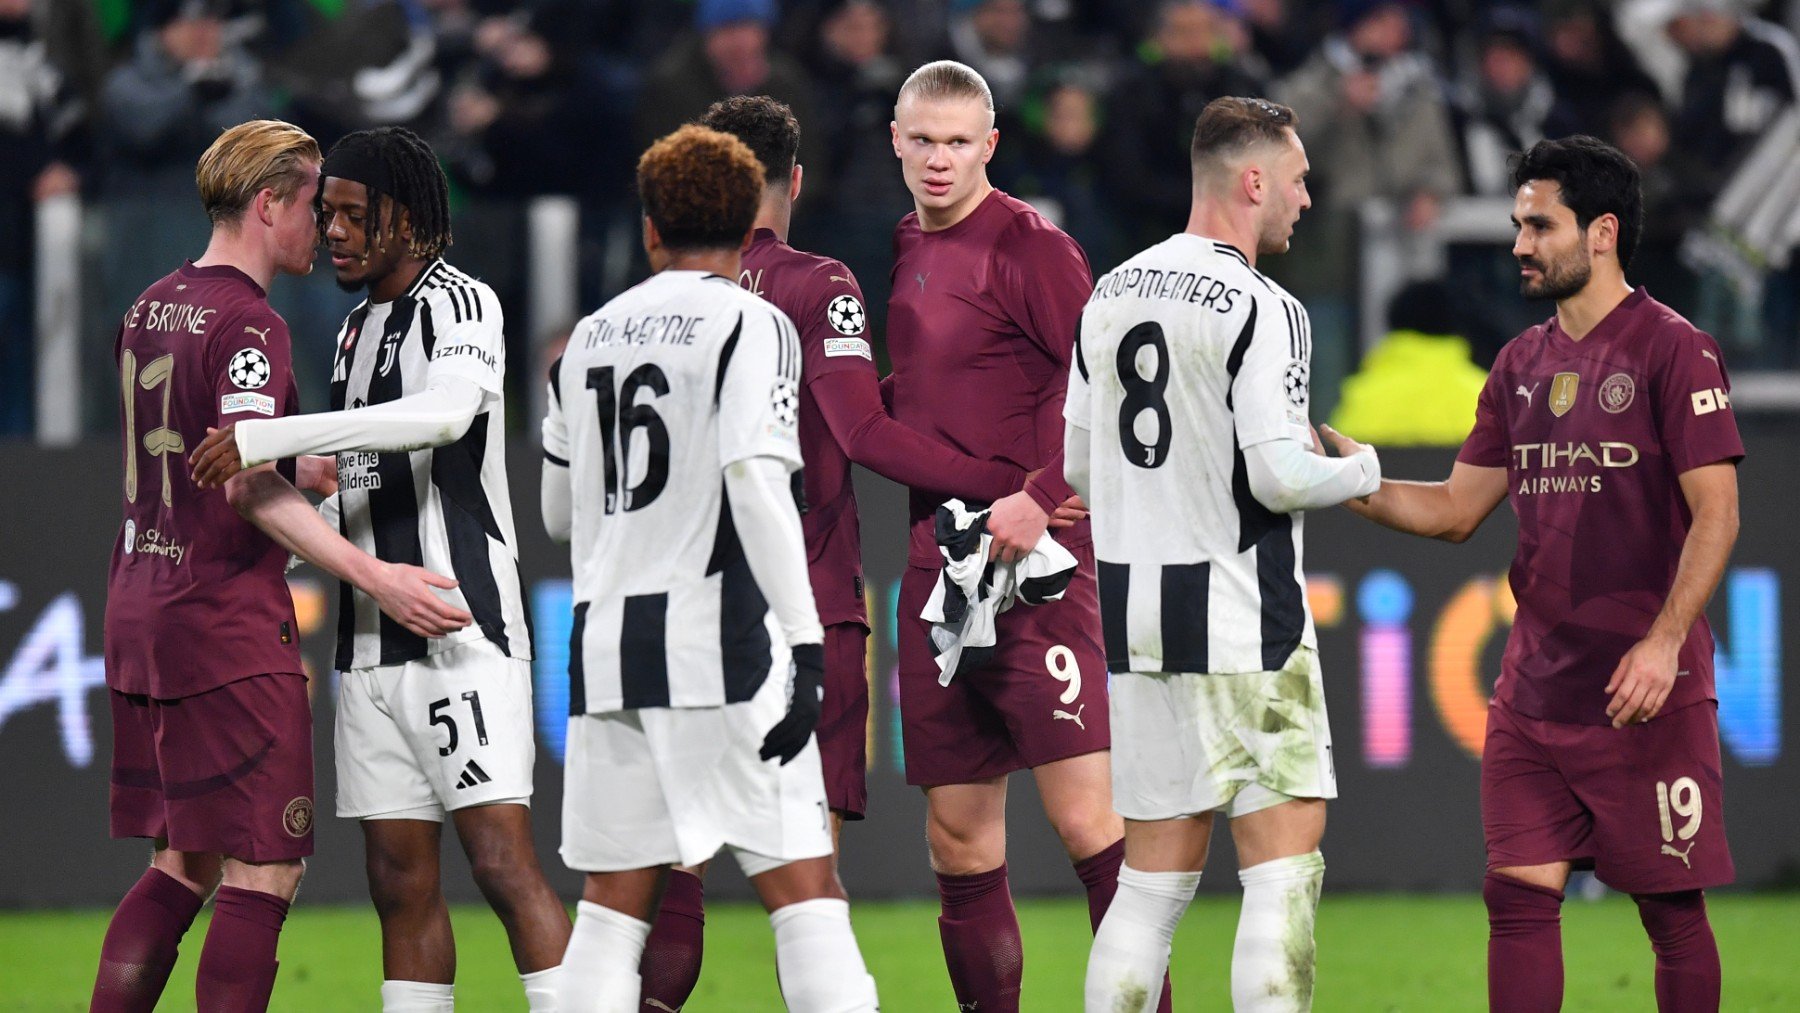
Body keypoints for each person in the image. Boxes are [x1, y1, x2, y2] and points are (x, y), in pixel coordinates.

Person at [1322, 135, 1741, 1012]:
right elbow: (1452, 508)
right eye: (1518, 223)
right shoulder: (1517, 366)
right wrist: (1346, 474)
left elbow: (1719, 512)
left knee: (1670, 911)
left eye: (1538, 224)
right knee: (1515, 904)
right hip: (1535, 698)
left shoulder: (1675, 350)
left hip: (1645, 692)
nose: (1519, 244)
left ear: (1601, 233)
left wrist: (1664, 645)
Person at [186, 125, 570, 1013]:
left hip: (459, 625)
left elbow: (438, 420)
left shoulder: (464, 304)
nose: (336, 234)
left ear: (409, 217)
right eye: (327, 215)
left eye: (356, 215)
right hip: (368, 647)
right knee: (397, 884)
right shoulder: (353, 330)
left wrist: (269, 438)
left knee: (503, 863)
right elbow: (366, 468)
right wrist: (306, 491)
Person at [94, 118, 470, 1013]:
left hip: (138, 600)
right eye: (315, 205)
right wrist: (377, 577)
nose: (330, 227)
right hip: (219, 618)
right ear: (270, 203)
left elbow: (192, 446)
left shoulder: (153, 302)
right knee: (265, 866)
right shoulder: (251, 323)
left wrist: (297, 463)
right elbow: (247, 493)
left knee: (181, 861)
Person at [542, 123, 879, 1013]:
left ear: (651, 228)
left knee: (611, 911)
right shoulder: (755, 321)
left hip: (607, 648)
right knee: (808, 896)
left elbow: (552, 509)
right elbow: (756, 481)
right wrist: (806, 643)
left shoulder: (587, 338)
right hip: (721, 644)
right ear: (746, 227)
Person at [1069, 95, 1375, 1013]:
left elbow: (1080, 463)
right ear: (1252, 181)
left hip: (1136, 614)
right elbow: (1281, 474)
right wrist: (1359, 470)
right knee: (1281, 868)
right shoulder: (1264, 304)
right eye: (1297, 179)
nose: (1306, 199)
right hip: (1243, 612)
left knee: (1149, 885)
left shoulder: (1109, 290)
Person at [886, 60, 1171, 1012]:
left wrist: (1042, 491)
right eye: (923, 139)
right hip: (940, 565)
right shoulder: (904, 243)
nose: (939, 159)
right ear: (896, 139)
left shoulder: (1031, 246)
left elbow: (1106, 387)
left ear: (991, 146)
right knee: (958, 838)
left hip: (1036, 566)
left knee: (1090, 821)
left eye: (959, 142)